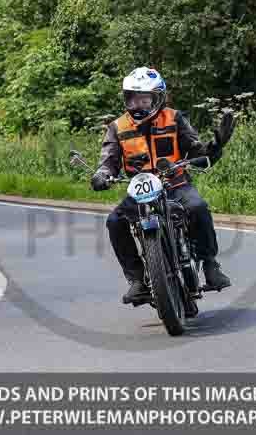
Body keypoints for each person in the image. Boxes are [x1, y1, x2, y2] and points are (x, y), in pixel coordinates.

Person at [90, 67, 236, 304]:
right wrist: (102, 174)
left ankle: (210, 265)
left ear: (157, 98)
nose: (138, 104)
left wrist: (216, 146)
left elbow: (197, 151)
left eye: (144, 99)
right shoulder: (118, 127)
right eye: (132, 98)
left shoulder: (174, 118)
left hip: (175, 183)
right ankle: (136, 280)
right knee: (115, 222)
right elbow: (108, 159)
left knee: (198, 207)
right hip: (140, 190)